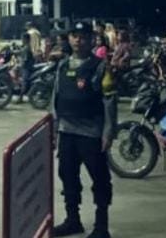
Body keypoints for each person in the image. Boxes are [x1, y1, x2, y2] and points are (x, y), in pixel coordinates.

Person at [53, 21, 117, 238]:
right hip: (66, 132)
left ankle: (101, 227)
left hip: (91, 134)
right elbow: (55, 97)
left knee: (100, 179)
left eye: (82, 36)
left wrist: (108, 132)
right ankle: (73, 221)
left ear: (91, 40)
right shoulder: (63, 65)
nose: (78, 40)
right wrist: (54, 128)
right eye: (74, 36)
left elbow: (109, 101)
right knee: (67, 176)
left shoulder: (100, 67)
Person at [17, 32, 34, 103]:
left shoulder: (26, 48)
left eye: (22, 39)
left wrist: (20, 66)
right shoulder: (27, 46)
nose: (22, 40)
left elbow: (25, 60)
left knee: (24, 82)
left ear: (26, 39)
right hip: (28, 67)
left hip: (26, 68)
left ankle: (20, 98)